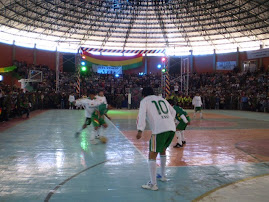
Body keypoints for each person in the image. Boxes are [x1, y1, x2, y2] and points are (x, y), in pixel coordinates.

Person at [136, 87, 176, 191]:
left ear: (143, 95)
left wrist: (140, 130)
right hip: (171, 128)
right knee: (162, 149)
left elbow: (141, 115)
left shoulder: (144, 101)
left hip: (159, 129)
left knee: (152, 154)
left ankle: (153, 184)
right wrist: (168, 121)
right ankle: (163, 176)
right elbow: (173, 112)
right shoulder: (162, 99)